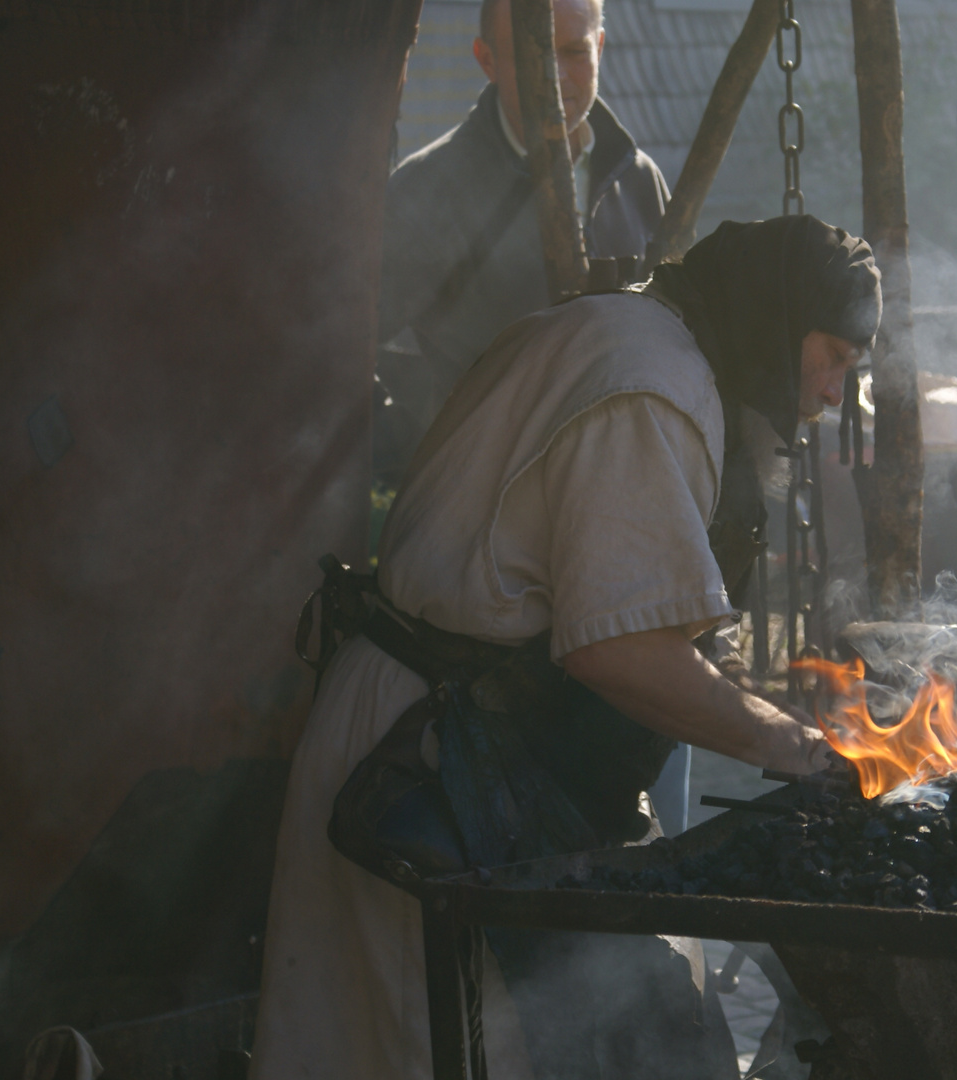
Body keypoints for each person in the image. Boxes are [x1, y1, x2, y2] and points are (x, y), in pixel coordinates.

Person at [249, 216, 879, 1080]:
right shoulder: (649, 386)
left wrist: (759, 709)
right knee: (446, 1052)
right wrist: (792, 748)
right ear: (781, 321)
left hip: (492, 742)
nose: (837, 392)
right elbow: (618, 649)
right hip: (431, 766)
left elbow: (642, 609)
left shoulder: (636, 339)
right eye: (836, 357)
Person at [374, 0, 669, 471]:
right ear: (486, 60)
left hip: (618, 486)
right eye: (533, 56)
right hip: (483, 497)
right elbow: (348, 345)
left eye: (574, 51)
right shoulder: (430, 189)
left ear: (600, 46)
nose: (555, 79)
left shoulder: (636, 181)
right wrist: (419, 442)